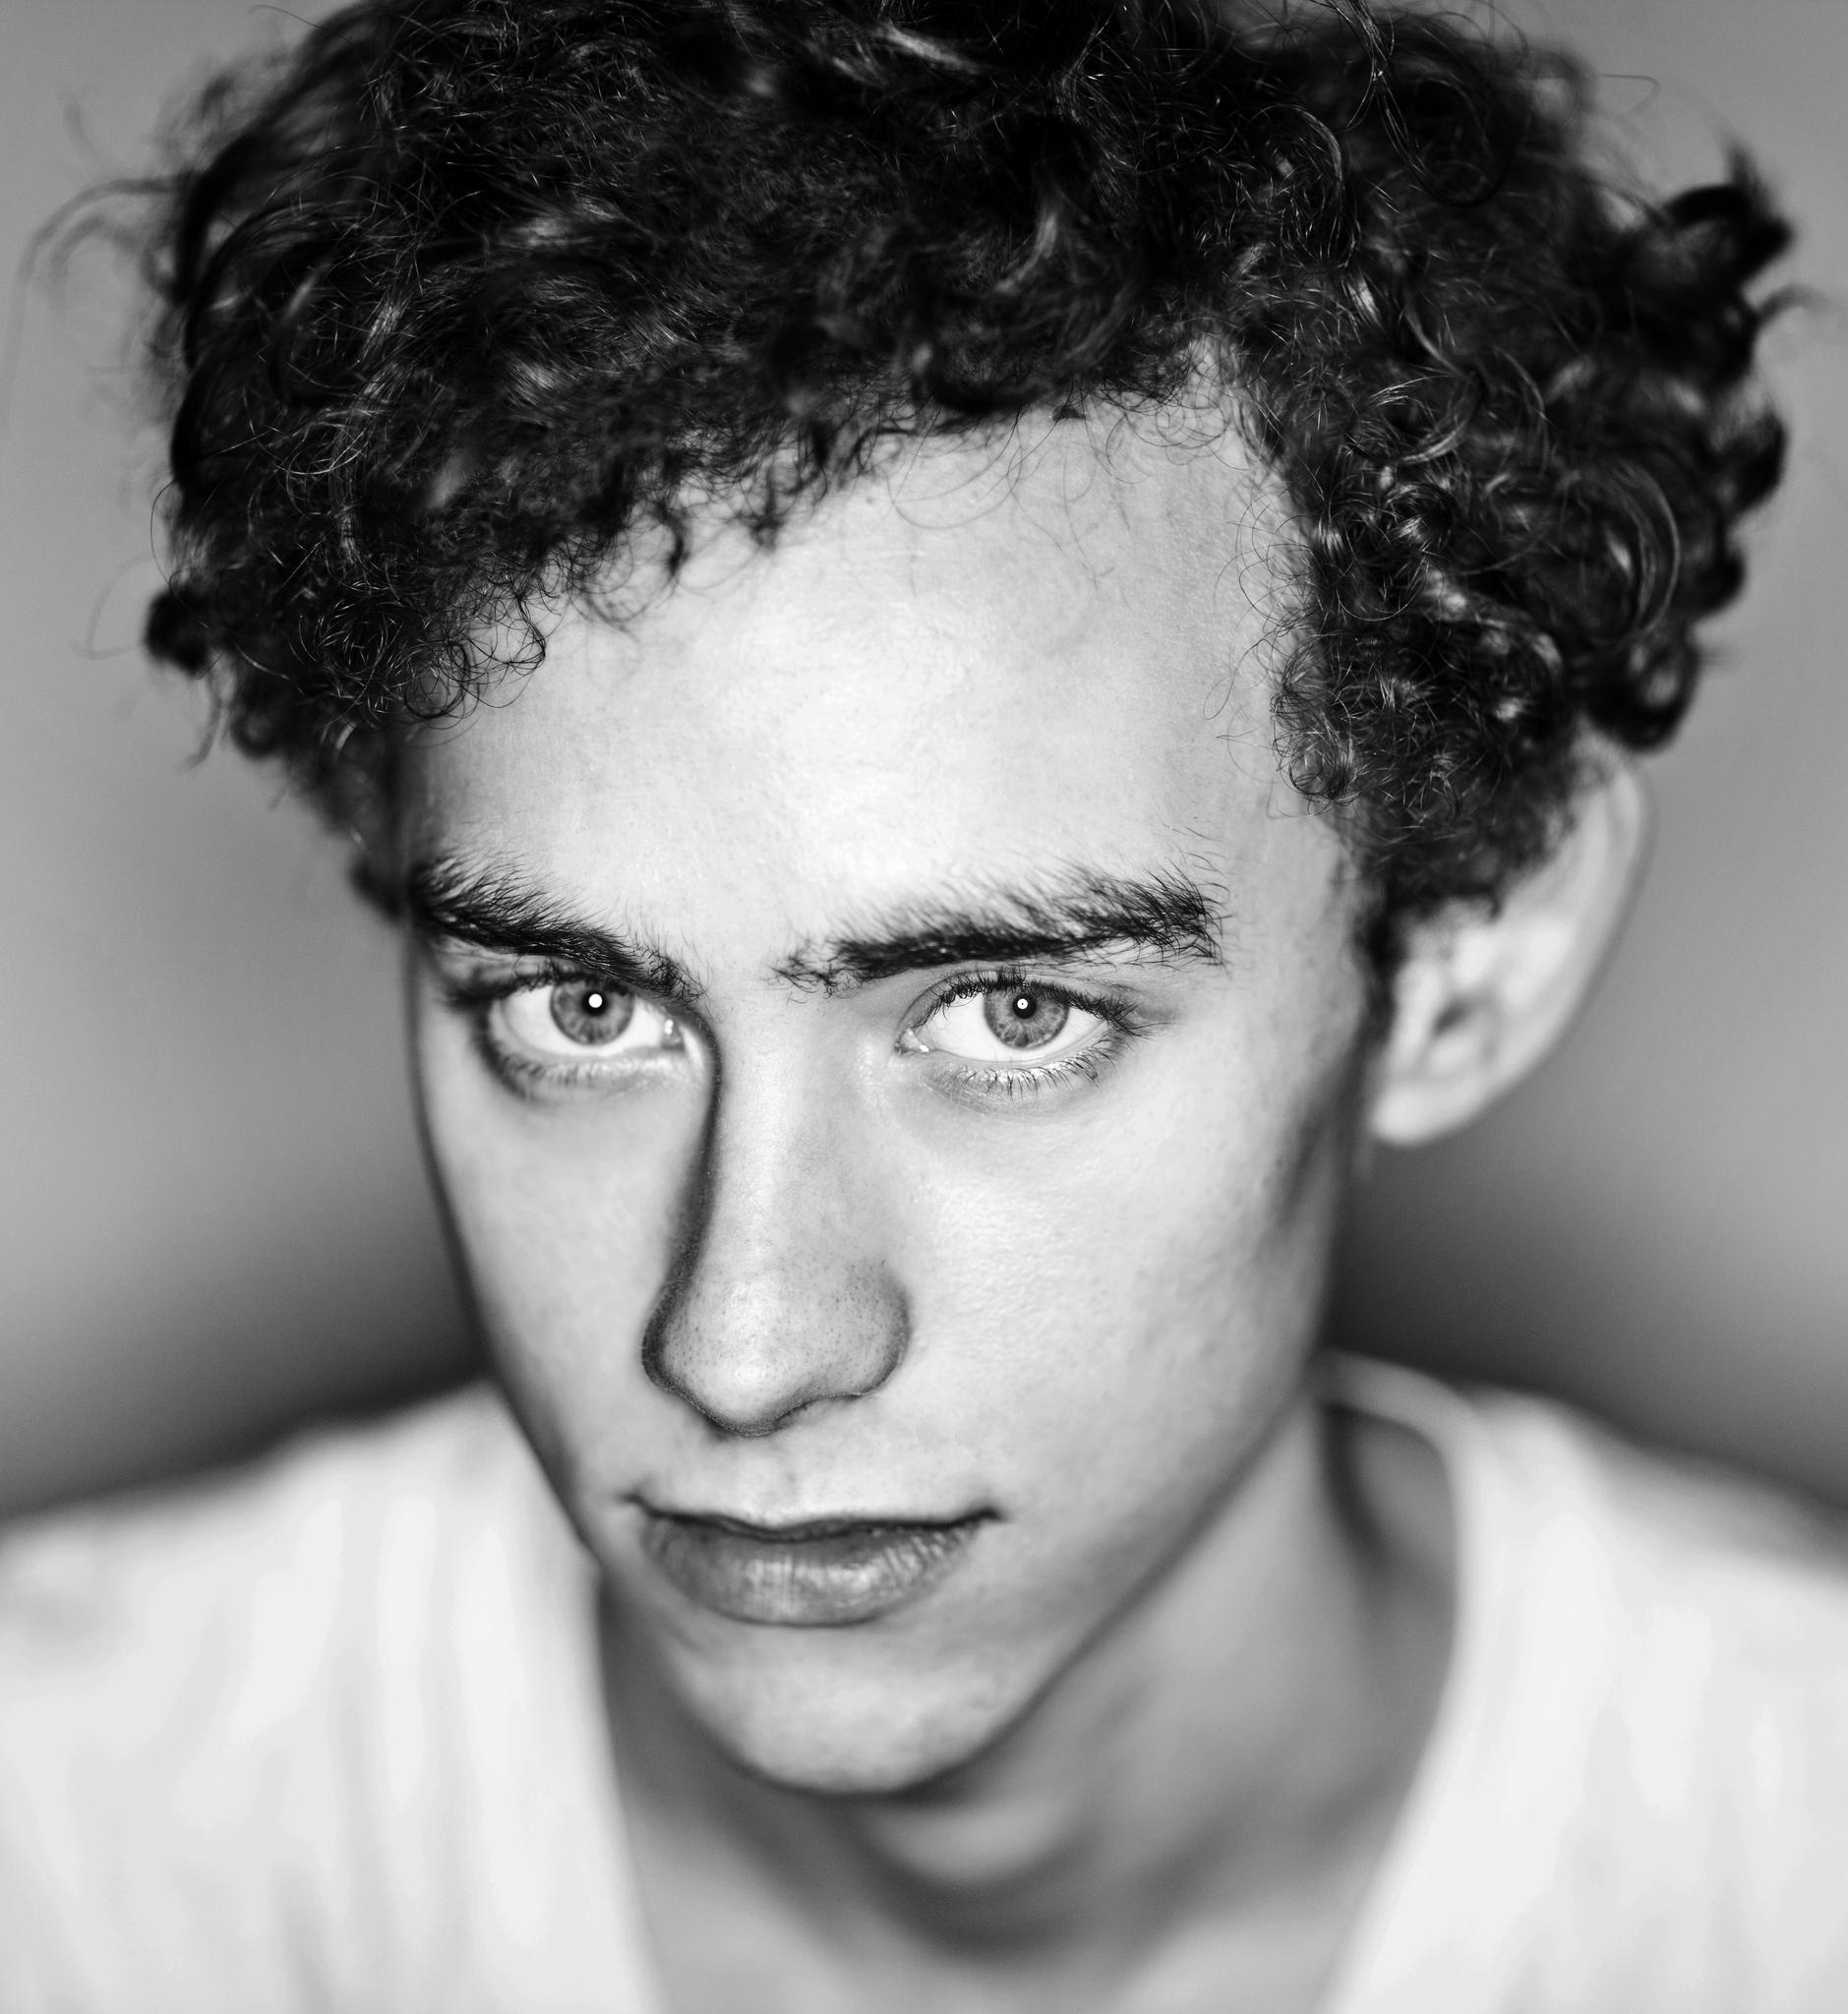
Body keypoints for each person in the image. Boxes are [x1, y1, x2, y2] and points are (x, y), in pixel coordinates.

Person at [2, 0, 1841, 2008]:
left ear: (1470, 958)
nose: (741, 1349)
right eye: (581, 1009)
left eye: (1009, 1016)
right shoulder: (72, 1852)